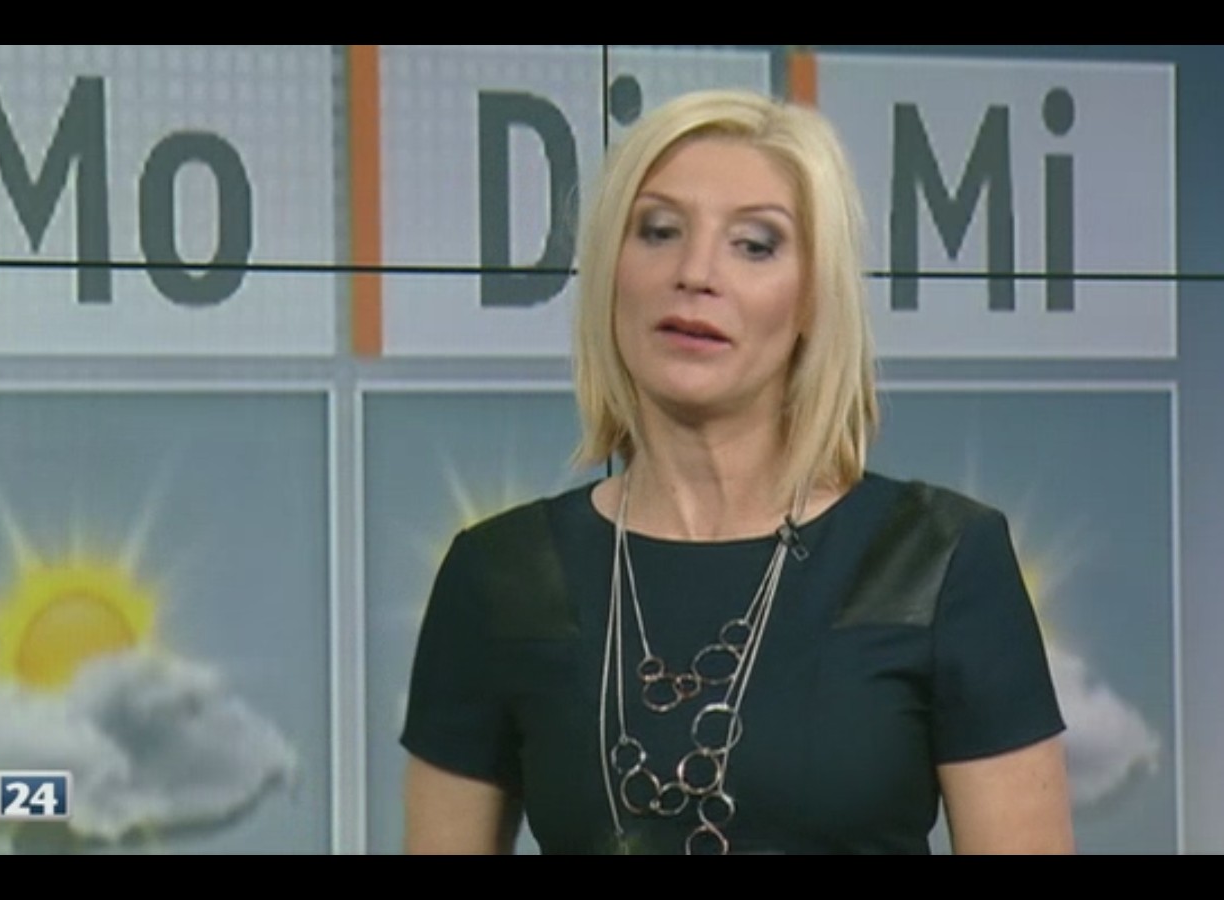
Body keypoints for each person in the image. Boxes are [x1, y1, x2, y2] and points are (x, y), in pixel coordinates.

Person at [401, 89, 1073, 854]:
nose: (695, 273)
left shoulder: (939, 563)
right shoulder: (501, 577)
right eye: (658, 231)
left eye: (754, 245)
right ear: (610, 274)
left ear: (813, 300)